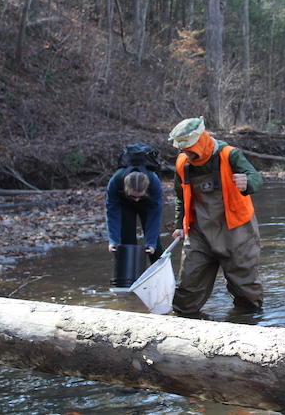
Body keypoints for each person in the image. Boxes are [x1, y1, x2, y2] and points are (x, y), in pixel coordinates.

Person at [168, 116, 264, 316]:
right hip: (199, 233)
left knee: (245, 290)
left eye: (190, 150)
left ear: (202, 140)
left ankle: (247, 324)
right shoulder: (182, 164)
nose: (188, 155)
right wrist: (179, 224)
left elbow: (256, 178)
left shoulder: (230, 155)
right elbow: (180, 197)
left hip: (237, 231)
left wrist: (247, 182)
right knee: (188, 287)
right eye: (184, 151)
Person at [105, 167, 164, 263]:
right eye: (133, 196)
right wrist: (113, 241)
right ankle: (128, 275)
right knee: (126, 242)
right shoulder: (115, 182)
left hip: (147, 204)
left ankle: (159, 271)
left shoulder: (154, 183)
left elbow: (155, 216)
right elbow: (112, 213)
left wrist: (151, 242)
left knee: (154, 244)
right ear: (125, 188)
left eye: (139, 196)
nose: (136, 200)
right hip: (125, 205)